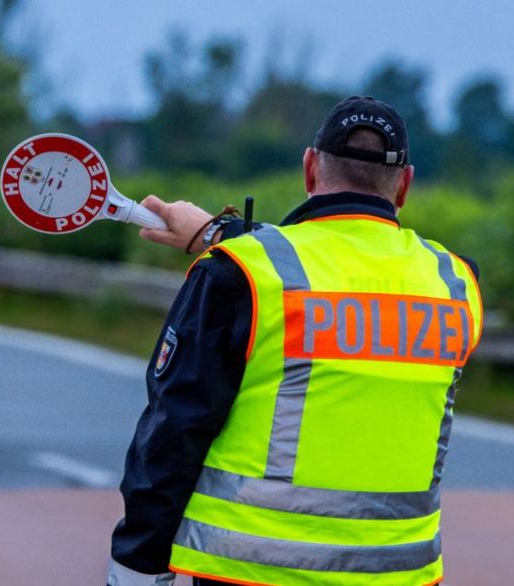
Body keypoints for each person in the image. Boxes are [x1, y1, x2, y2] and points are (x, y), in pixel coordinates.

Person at [106, 96, 483, 586]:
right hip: (400, 574)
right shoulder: (455, 282)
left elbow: (172, 434)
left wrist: (138, 563)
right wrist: (217, 233)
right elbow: (352, 272)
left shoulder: (240, 275)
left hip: (251, 571)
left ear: (310, 168)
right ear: (405, 184)